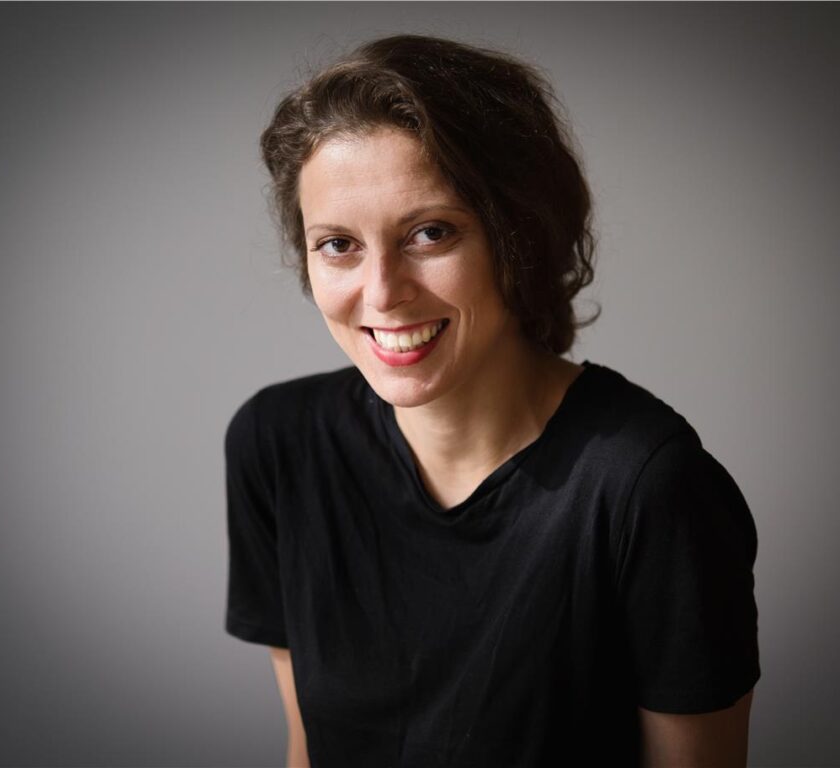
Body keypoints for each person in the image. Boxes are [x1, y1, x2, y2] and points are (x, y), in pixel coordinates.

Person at [224, 33, 760, 768]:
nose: (382, 293)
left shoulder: (648, 488)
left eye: (430, 233)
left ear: (520, 240)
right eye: (338, 244)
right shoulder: (277, 444)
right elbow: (307, 750)